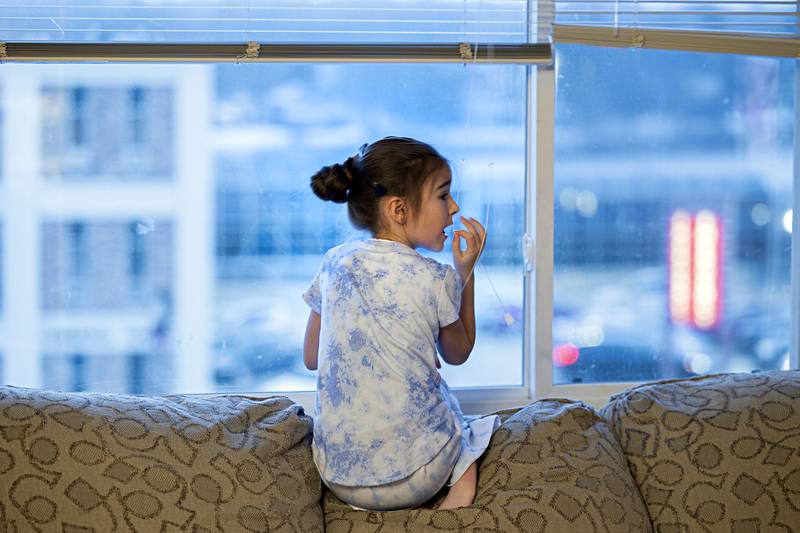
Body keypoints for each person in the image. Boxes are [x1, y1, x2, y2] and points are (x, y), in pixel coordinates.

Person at [302, 136, 500, 511]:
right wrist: (466, 273)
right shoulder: (433, 277)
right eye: (443, 196)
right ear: (398, 209)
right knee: (455, 409)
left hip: (339, 476)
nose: (454, 208)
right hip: (418, 479)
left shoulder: (332, 263)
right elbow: (458, 353)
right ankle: (461, 480)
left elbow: (312, 357)